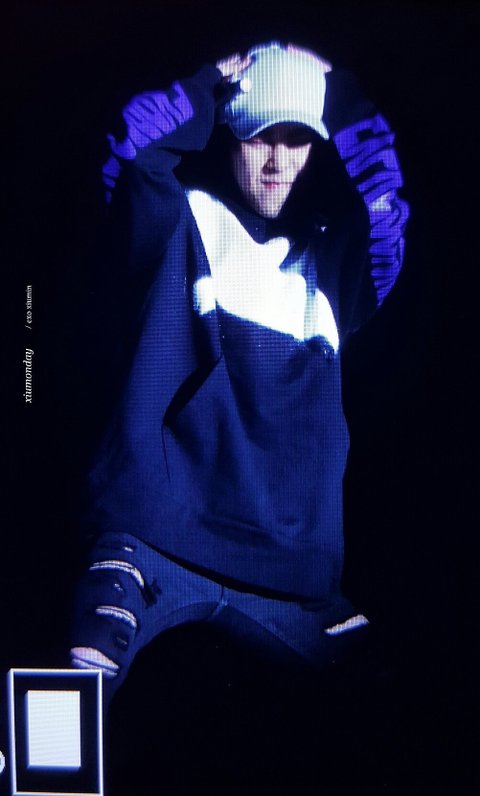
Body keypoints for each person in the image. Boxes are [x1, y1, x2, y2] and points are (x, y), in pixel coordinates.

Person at [70, 41, 409, 704]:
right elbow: (134, 153)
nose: (279, 162)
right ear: (229, 133)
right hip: (154, 541)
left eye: (297, 139)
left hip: (293, 575)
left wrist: (338, 95)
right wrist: (206, 85)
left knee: (404, 707)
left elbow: (386, 208)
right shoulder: (178, 223)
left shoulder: (334, 267)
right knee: (81, 674)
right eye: (260, 137)